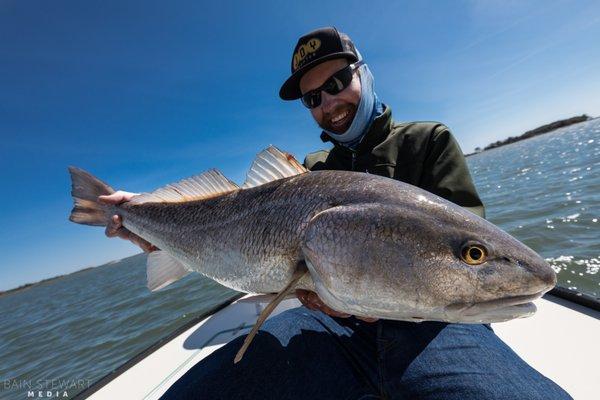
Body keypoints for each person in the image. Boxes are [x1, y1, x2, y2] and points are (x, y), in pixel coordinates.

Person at [100, 27, 571, 399]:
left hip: (435, 329)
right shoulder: (306, 173)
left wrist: (470, 257)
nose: (328, 103)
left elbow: (466, 232)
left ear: (363, 74)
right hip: (326, 327)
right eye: (313, 99)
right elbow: (258, 261)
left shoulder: (427, 141)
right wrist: (144, 219)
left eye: (337, 83)